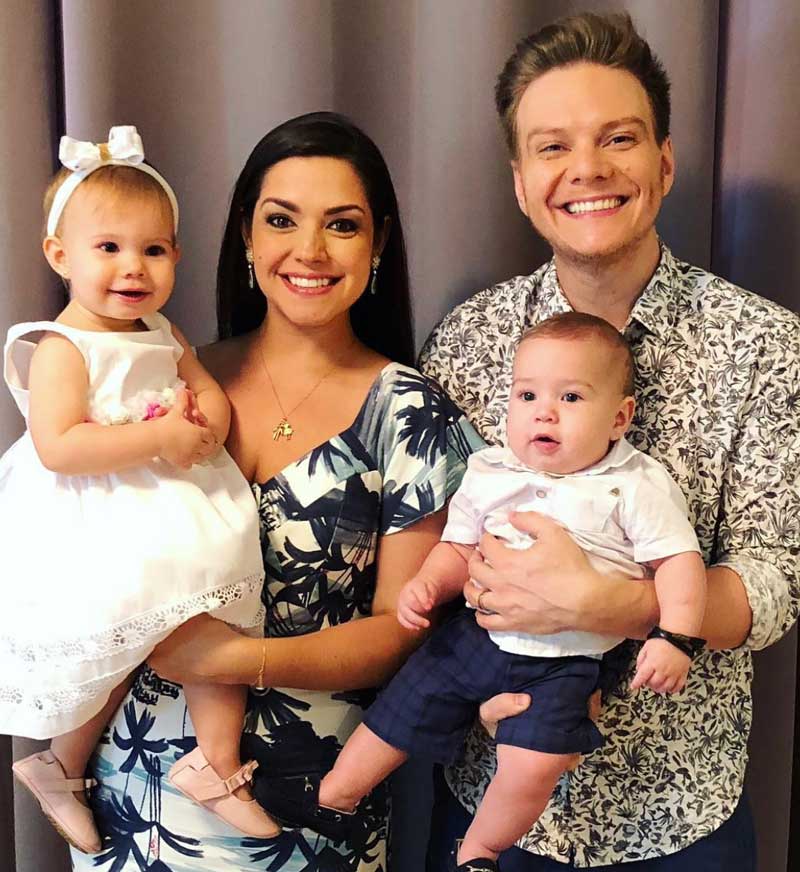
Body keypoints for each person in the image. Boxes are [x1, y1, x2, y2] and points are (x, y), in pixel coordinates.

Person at [420, 11, 800, 871]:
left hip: (679, 816)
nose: (587, 169)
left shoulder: (765, 346)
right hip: (493, 802)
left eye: (618, 138)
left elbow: (778, 580)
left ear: (664, 162)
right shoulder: (468, 340)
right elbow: (435, 546)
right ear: (521, 184)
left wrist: (610, 603)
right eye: (552, 147)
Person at [66, 112, 481, 872]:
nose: (310, 250)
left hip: (305, 808)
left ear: (378, 243)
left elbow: (401, 633)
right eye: (282, 219)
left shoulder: (412, 415)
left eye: (342, 225)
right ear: (247, 237)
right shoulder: (166, 375)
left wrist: (233, 659)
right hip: (130, 794)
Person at [257, 313, 706, 871]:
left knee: (533, 764)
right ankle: (334, 795)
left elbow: (678, 562)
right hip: (475, 634)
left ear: (620, 417)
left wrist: (674, 637)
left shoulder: (633, 484)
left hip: (563, 664)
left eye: (570, 397)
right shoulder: (491, 470)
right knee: (404, 703)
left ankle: (481, 851)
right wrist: (428, 583)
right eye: (527, 395)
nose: (544, 412)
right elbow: (458, 546)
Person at [1, 126, 277, 854]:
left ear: (176, 257)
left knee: (219, 621)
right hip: (100, 514)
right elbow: (60, 445)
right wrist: (159, 439)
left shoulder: (162, 330)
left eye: (153, 250)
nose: (133, 267)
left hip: (176, 502)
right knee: (111, 651)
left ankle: (216, 763)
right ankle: (59, 764)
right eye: (109, 248)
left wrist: (208, 425)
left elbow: (205, 389)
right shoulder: (62, 347)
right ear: (60, 255)